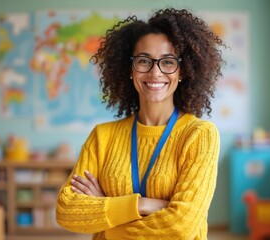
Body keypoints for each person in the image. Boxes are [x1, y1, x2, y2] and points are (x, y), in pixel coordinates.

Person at [56, 7, 225, 239]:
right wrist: (145, 204)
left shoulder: (199, 135)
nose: (155, 73)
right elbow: (67, 210)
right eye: (144, 61)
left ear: (182, 71)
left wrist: (107, 216)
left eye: (167, 62)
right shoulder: (102, 136)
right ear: (130, 69)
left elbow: (180, 226)